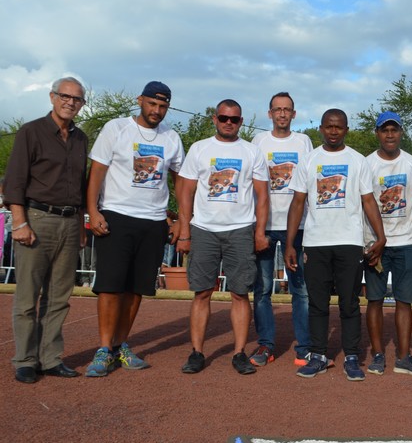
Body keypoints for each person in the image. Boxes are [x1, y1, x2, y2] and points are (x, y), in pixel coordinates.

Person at [84, 81, 185, 378]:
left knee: (137, 288)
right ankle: (103, 349)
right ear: (140, 100)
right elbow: (97, 172)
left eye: (163, 106)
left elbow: (180, 180)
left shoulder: (172, 137)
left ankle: (120, 345)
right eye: (152, 104)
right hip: (116, 215)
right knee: (111, 286)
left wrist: (180, 219)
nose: (156, 111)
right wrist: (92, 210)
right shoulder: (116, 128)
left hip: (154, 221)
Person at [284, 108, 386, 381]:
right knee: (317, 303)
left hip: (349, 242)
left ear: (346, 130)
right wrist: (290, 243)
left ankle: (351, 357)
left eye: (338, 127)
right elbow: (297, 203)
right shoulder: (308, 160)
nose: (333, 131)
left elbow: (368, 201)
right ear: (320, 128)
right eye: (328, 126)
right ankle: (318, 355)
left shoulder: (357, 161)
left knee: (349, 303)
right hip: (316, 242)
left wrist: (381, 235)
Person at [176, 100, 269, 375]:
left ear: (241, 122)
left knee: (240, 293)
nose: (229, 123)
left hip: (240, 229)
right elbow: (185, 192)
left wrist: (260, 232)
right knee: (202, 292)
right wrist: (184, 230)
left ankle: (239, 353)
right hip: (204, 229)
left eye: (235, 119)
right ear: (215, 119)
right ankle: (197, 352)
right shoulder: (200, 148)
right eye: (224, 118)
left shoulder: (252, 151)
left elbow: (263, 195)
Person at [5, 77, 88, 383]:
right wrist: (19, 222)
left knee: (59, 297)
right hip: (37, 219)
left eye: (77, 99)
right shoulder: (31, 131)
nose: (70, 102)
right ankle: (25, 360)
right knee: (28, 296)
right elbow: (14, 179)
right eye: (65, 96)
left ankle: (50, 358)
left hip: (69, 221)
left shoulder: (81, 138)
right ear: (52, 97)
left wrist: (80, 226)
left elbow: (80, 186)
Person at [249, 92, 313, 367]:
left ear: (294, 114)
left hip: (295, 227)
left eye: (287, 110)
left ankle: (305, 347)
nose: (283, 114)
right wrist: (255, 228)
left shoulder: (304, 142)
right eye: (278, 110)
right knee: (262, 290)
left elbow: (310, 181)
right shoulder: (258, 142)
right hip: (265, 224)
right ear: (270, 113)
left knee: (301, 290)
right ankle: (266, 345)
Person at [364, 111, 412, 377]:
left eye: (394, 129)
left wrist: (398, 213)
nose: (389, 134)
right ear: (377, 133)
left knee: (405, 301)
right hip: (375, 244)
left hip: (405, 242)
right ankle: (378, 355)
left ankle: (403, 356)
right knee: (375, 300)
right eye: (384, 130)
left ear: (401, 132)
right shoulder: (366, 164)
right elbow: (363, 201)